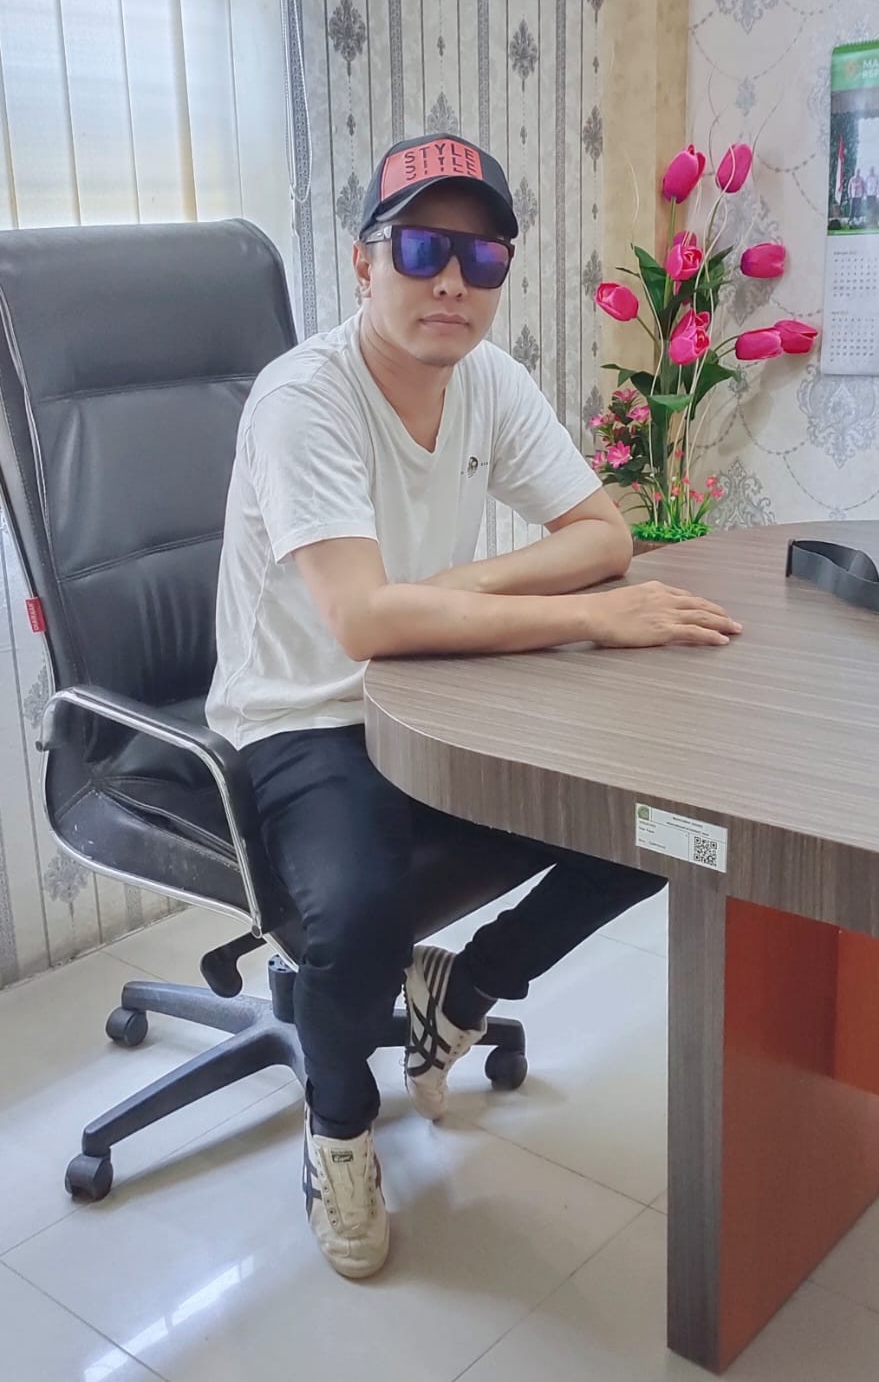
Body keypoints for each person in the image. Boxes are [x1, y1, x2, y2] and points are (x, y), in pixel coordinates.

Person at [206, 132, 742, 1280]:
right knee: (358, 916)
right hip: (306, 712)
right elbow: (362, 623)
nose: (451, 280)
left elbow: (604, 535)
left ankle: (467, 985)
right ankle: (339, 1126)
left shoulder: (486, 379)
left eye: (482, 257)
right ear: (364, 264)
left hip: (433, 682)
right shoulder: (304, 399)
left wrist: (459, 588)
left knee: (658, 815)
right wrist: (583, 618)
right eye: (420, 249)